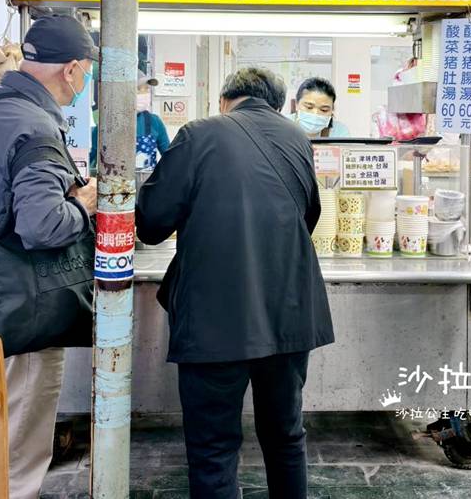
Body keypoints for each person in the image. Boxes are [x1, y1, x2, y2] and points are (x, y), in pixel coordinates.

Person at [136, 67, 334, 499]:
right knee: (285, 436)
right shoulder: (297, 139)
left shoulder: (198, 134)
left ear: (225, 100)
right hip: (288, 314)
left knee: (213, 449)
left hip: (214, 320)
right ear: (277, 105)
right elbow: (309, 216)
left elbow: (150, 223)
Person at [0, 14, 98, 499]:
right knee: (15, 458)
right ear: (71, 70)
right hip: (20, 319)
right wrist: (83, 205)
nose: (84, 82)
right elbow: (42, 224)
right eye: (86, 71)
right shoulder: (34, 128)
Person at [135, 71, 171, 169]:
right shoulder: (109, 123)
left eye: (147, 89)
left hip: (148, 178)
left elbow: (170, 158)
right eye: (138, 89)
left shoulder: (154, 121)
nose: (144, 94)